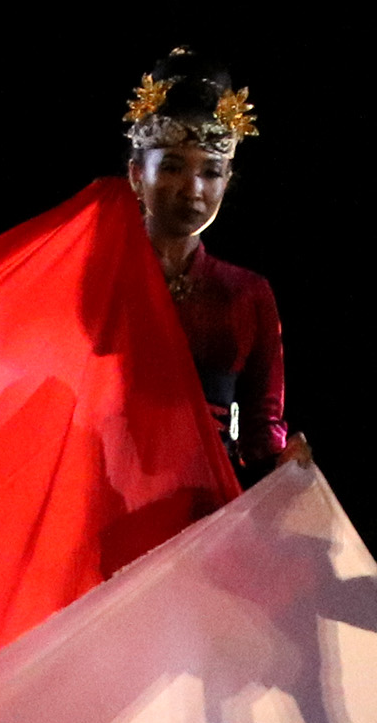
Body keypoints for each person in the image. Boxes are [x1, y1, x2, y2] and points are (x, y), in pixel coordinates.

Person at [120, 51, 290, 478]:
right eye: (173, 166)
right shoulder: (100, 277)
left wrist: (286, 463)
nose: (193, 189)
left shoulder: (247, 293)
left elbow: (260, 431)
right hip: (106, 494)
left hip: (204, 506)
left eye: (211, 172)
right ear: (137, 174)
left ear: (227, 180)